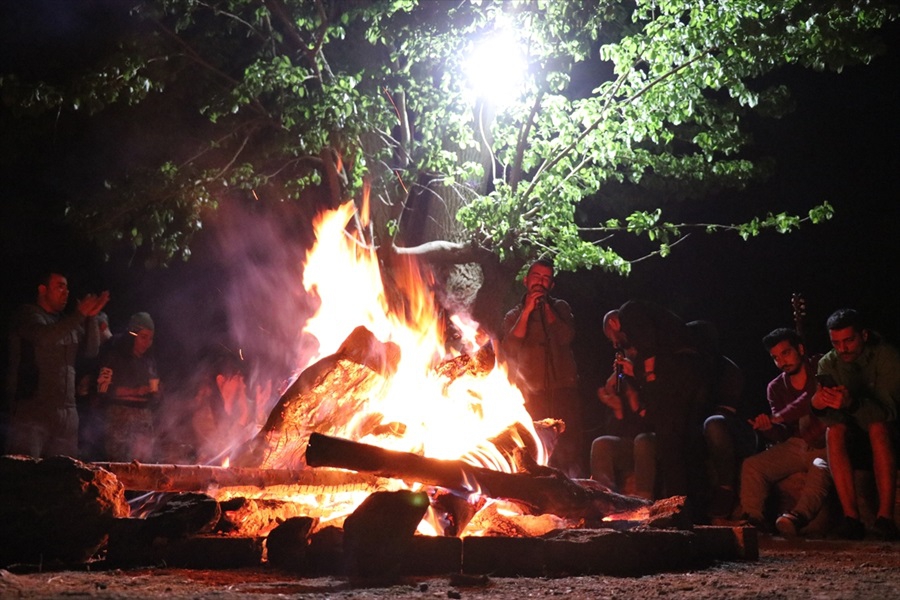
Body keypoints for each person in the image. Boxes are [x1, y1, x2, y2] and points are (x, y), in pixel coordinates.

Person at [603, 301, 710, 519]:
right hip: (690, 373)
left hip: (677, 375)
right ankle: (694, 509)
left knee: (670, 443)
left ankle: (677, 509)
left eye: (613, 339)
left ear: (614, 323)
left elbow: (649, 348)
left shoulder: (629, 312)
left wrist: (648, 375)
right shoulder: (658, 321)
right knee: (682, 442)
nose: (616, 345)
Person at [811, 309, 899, 540]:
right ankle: (852, 519)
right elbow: (833, 419)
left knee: (878, 427)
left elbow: (889, 413)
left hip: (890, 432)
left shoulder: (886, 357)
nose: (843, 349)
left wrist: (852, 405)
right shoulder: (828, 363)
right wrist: (819, 404)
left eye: (849, 340)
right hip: (856, 436)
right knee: (834, 431)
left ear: (864, 335)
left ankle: (885, 519)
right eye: (836, 343)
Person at [736, 328, 831, 536]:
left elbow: (811, 397)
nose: (781, 361)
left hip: (826, 440)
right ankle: (753, 520)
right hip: (796, 443)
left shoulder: (820, 366)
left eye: (785, 353)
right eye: (775, 357)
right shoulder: (775, 387)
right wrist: (769, 428)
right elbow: (782, 434)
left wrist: (781, 416)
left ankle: (797, 517)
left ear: (800, 349)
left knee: (819, 466)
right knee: (752, 465)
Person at [5, 271, 109, 458]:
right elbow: (44, 337)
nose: (66, 292)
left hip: (67, 412)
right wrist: (79, 315)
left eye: (67, 288)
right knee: (27, 473)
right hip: (32, 411)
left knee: (63, 475)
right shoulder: (28, 314)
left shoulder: (65, 322)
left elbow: (91, 350)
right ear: (43, 290)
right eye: (60, 286)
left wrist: (91, 317)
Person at [500, 259, 582, 476]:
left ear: (551, 285)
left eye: (546, 278)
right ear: (526, 280)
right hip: (531, 392)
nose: (540, 282)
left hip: (563, 388)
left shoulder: (561, 307)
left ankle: (574, 493)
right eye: (536, 276)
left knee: (568, 447)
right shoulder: (513, 315)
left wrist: (546, 308)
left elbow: (566, 337)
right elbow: (510, 347)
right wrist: (527, 311)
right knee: (535, 446)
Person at [97, 311, 161, 462]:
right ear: (132, 335)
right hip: (120, 417)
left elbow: (155, 389)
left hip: (144, 417)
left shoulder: (148, 360)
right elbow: (104, 389)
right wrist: (136, 391)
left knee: (142, 464)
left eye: (150, 339)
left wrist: (157, 392)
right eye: (143, 337)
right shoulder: (115, 356)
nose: (147, 343)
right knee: (120, 464)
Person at [591, 356, 656, 500]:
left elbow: (659, 422)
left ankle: (643, 504)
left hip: (656, 440)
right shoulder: (621, 385)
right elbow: (617, 432)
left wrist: (637, 406)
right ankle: (606, 501)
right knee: (601, 444)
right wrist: (618, 410)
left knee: (642, 442)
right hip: (631, 444)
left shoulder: (649, 378)